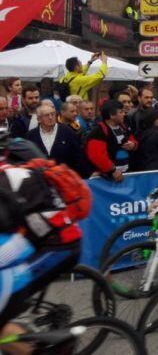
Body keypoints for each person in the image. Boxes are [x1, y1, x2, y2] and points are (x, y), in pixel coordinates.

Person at [0, 129, 84, 344]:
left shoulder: (6, 177)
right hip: (40, 239)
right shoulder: (9, 171)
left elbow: (14, 237)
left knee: (7, 314)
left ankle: (43, 343)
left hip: (59, 246)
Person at [83, 99, 136, 181]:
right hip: (108, 178)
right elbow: (97, 156)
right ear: (112, 115)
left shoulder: (123, 127)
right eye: (121, 112)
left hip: (126, 174)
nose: (124, 114)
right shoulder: (98, 132)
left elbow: (133, 140)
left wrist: (133, 145)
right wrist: (113, 171)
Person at [26, 103, 82, 174]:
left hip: (63, 177)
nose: (51, 117)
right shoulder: (31, 135)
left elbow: (77, 155)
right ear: (39, 119)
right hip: (40, 178)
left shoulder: (67, 131)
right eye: (47, 115)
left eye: (53, 114)